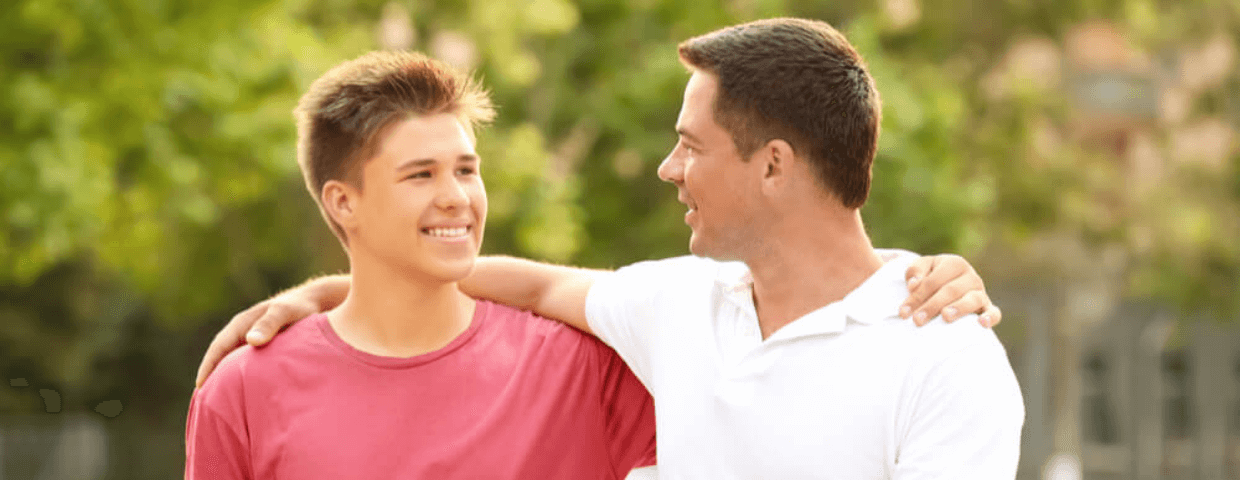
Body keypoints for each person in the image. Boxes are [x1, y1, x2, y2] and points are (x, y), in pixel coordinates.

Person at [196, 19, 1016, 479]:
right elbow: (532, 282)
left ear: (773, 165)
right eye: (421, 174)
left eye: (690, 146)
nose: (669, 169)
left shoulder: (943, 356)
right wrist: (332, 293)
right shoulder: (681, 306)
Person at [185, 51, 659, 479]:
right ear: (344, 203)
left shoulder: (584, 370)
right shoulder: (244, 390)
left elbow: (707, 310)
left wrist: (331, 289)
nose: (457, 197)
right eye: (421, 175)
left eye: (466, 170)